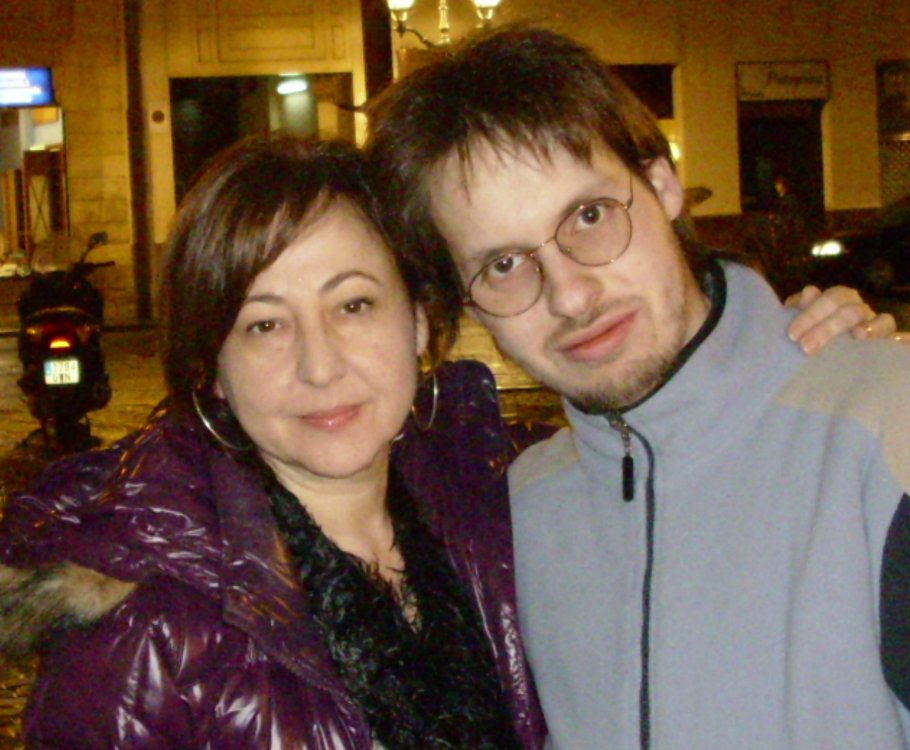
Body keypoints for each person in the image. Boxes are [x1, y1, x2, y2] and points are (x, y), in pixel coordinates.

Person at [364, 25, 910, 750]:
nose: (571, 296)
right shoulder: (524, 514)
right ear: (467, 305)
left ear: (663, 184)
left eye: (590, 216)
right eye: (503, 265)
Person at [0, 136, 543, 750]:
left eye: (354, 305)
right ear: (214, 367)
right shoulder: (141, 630)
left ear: (418, 319)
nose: (320, 367)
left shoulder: (508, 520)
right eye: (264, 324)